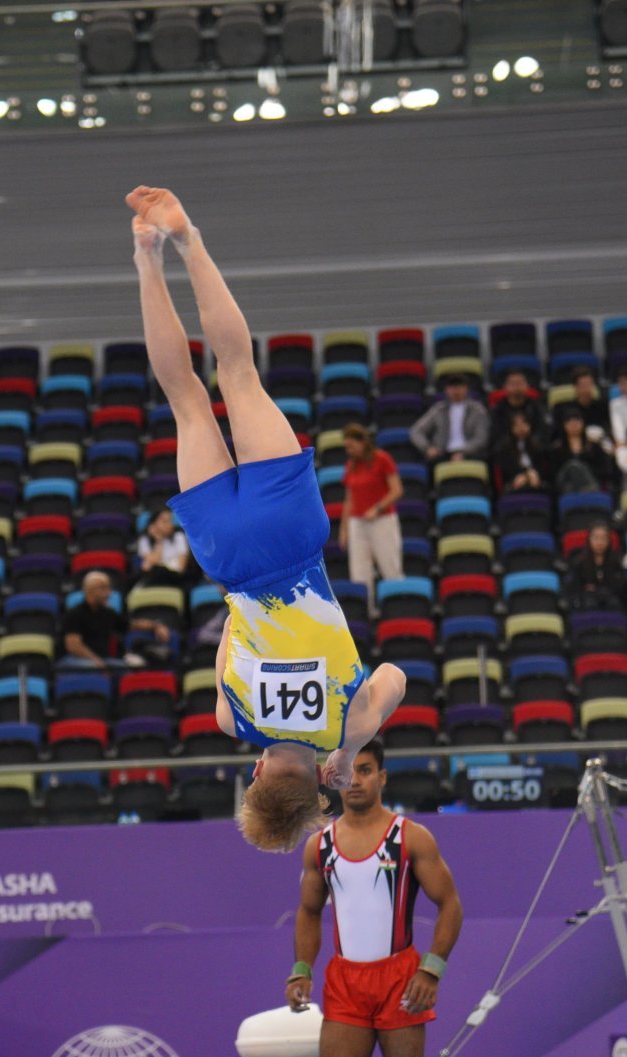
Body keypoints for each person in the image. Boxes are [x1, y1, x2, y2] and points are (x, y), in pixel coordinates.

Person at [126, 186, 406, 853]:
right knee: (186, 402)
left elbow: (395, 675)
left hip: (294, 542)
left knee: (240, 375)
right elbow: (227, 632)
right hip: (231, 561)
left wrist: (352, 746)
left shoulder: (347, 722)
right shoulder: (232, 717)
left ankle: (188, 240)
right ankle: (145, 256)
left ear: (322, 783)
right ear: (254, 774)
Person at [286, 740, 463, 1057]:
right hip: (345, 983)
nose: (354, 781)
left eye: (364, 771)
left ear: (381, 778)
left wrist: (432, 968)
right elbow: (308, 912)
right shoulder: (319, 846)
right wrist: (301, 969)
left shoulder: (411, 837)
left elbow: (450, 904)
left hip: (400, 980)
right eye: (346, 774)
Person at [340, 422, 404, 604]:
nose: (349, 451)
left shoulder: (382, 459)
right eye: (346, 447)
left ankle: (397, 607)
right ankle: (365, 612)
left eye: (351, 446)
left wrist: (378, 508)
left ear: (362, 443)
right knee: (359, 574)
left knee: (390, 567)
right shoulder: (350, 466)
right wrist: (344, 529)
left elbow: (397, 490)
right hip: (357, 523)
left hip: (382, 520)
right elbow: (349, 500)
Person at [59, 570, 170, 670]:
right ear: (89, 591)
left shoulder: (107, 613)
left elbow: (131, 625)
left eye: (108, 588)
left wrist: (156, 626)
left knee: (125, 669)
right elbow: (73, 646)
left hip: (103, 660)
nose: (109, 593)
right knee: (93, 668)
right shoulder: (74, 614)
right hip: (76, 660)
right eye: (103, 588)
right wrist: (95, 660)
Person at [409, 374, 488, 462]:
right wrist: (427, 448)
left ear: (466, 389)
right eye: (453, 387)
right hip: (442, 453)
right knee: (431, 461)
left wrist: (463, 452)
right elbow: (416, 431)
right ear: (446, 390)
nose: (456, 391)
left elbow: (481, 437)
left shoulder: (477, 410)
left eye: (460, 387)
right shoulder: (438, 409)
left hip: (471, 453)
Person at [547, 405, 615, 495]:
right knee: (572, 466)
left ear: (583, 423)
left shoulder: (594, 446)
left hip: (590, 482)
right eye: (569, 421)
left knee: (577, 468)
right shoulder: (557, 449)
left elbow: (605, 470)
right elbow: (554, 474)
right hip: (565, 486)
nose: (573, 424)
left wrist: (584, 471)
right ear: (564, 425)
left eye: (577, 420)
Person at [564, 522, 627, 611]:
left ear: (609, 541)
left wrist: (604, 589)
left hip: (611, 596)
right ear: (589, 540)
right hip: (586, 599)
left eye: (603, 539)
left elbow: (621, 585)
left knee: (614, 604)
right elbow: (574, 585)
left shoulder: (617, 561)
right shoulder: (579, 562)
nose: (600, 543)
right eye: (596, 538)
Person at [135, 507, 190, 587]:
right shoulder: (144, 539)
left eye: (170, 521)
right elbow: (149, 566)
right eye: (164, 522)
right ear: (153, 524)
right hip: (153, 577)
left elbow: (181, 567)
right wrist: (159, 541)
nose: (169, 525)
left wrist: (160, 566)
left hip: (174, 577)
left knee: (159, 571)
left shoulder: (179, 537)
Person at [492, 410, 544, 494]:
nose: (521, 428)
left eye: (524, 424)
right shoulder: (504, 448)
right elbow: (505, 471)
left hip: (537, 481)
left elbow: (543, 467)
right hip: (513, 483)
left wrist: (530, 474)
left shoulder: (538, 446)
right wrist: (523, 476)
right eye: (517, 425)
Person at [489, 370, 544, 448]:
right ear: (505, 387)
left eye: (520, 383)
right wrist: (513, 435)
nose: (517, 387)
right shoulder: (498, 410)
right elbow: (495, 437)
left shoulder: (536, 407)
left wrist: (529, 435)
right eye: (513, 384)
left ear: (527, 386)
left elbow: (543, 431)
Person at [565, 367, 613, 450]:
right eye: (583, 385)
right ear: (575, 387)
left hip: (600, 444)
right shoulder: (567, 408)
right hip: (576, 443)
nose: (586, 389)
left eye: (589, 384)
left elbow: (608, 427)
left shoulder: (603, 405)